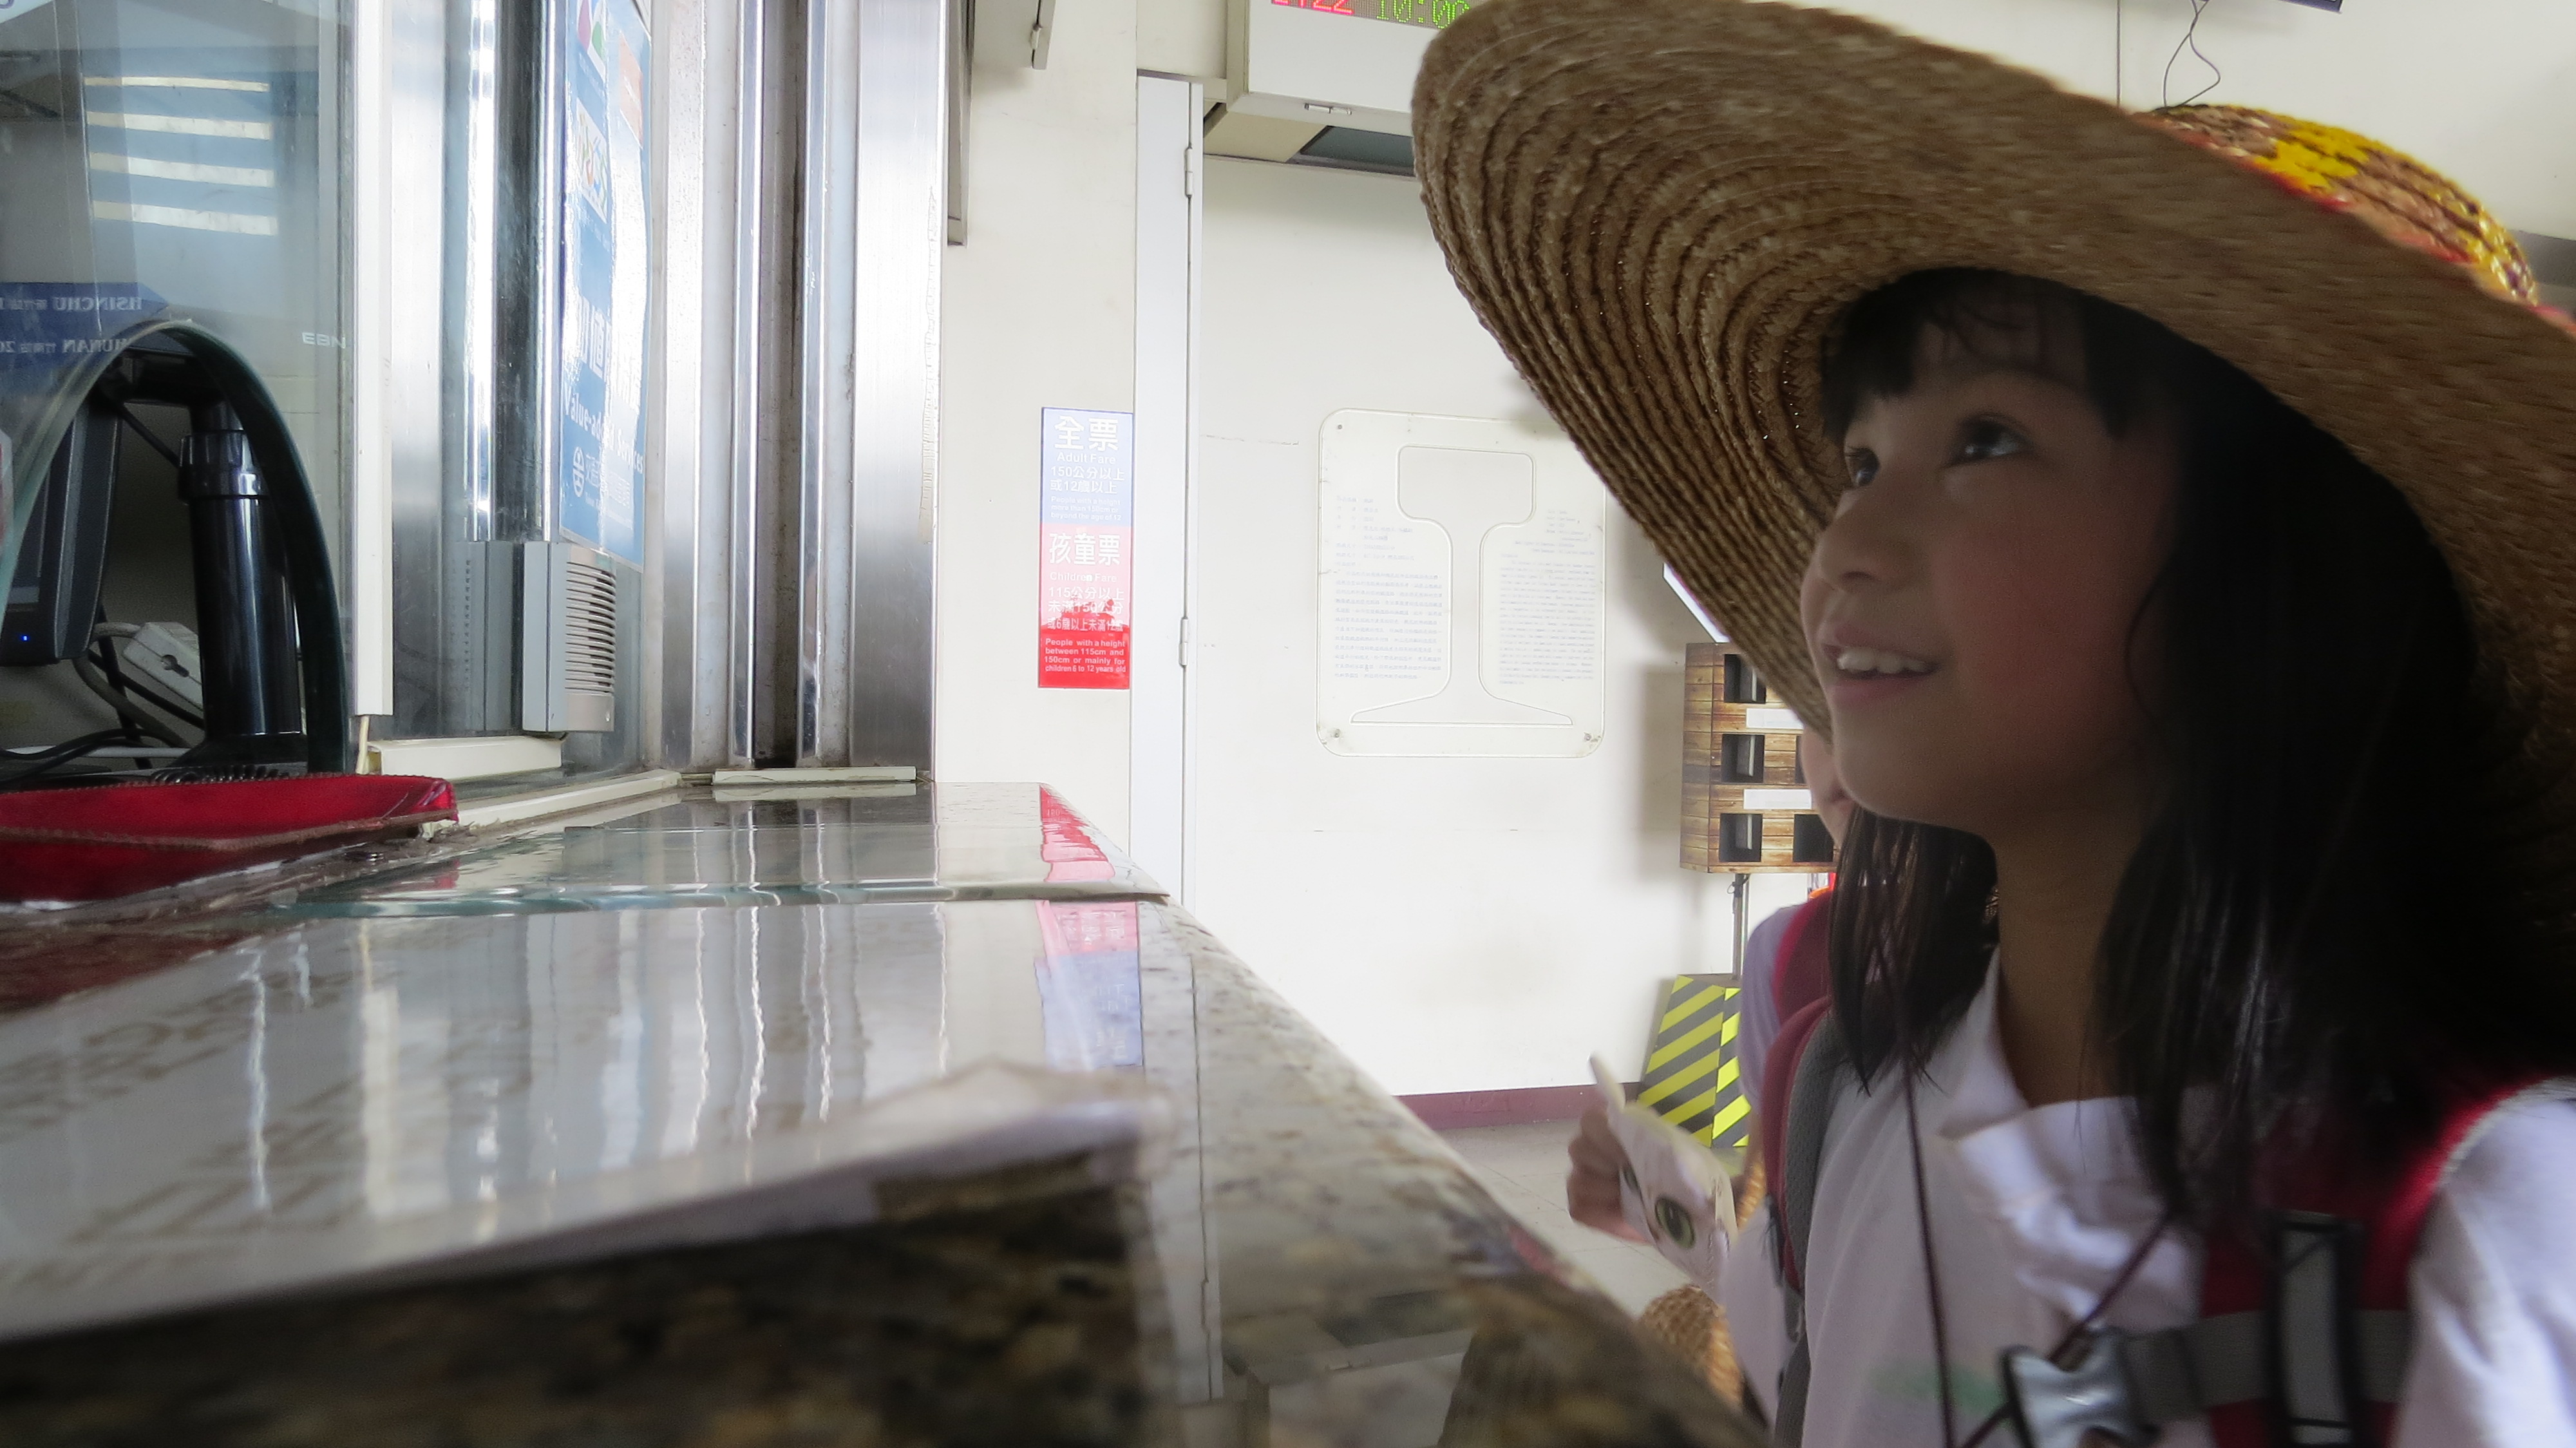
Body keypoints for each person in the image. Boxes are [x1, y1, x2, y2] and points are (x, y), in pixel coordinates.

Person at [1416, 4, 2576, 1444]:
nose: (1843, 546)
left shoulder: (2484, 1222)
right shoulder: (1840, 1105)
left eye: (1986, 439)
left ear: (2280, 573)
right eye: (1860, 459)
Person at [1568, 729, 1850, 1244]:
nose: (1845, 740)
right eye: (1820, 711)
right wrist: (1670, 1216)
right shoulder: (1791, 950)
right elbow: (1770, 1211)